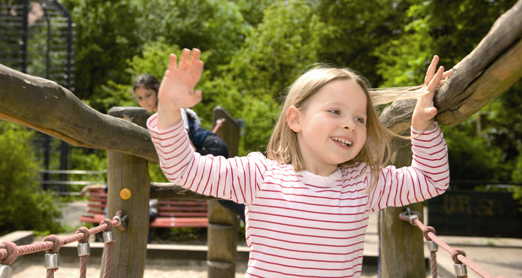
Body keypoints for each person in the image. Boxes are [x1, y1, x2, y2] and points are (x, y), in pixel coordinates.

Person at [147, 48, 450, 277]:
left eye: (360, 118)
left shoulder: (364, 183)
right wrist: (169, 109)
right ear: (295, 119)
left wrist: (423, 126)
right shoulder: (258, 175)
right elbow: (184, 169)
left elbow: (431, 180)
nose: (351, 124)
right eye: (335, 111)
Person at [134, 73, 246, 221]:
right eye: (140, 98)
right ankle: (255, 214)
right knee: (225, 191)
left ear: (158, 91)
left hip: (210, 148)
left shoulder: (171, 111)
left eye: (148, 95)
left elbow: (186, 141)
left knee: (221, 193)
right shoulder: (168, 112)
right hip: (213, 144)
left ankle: (255, 217)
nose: (145, 101)